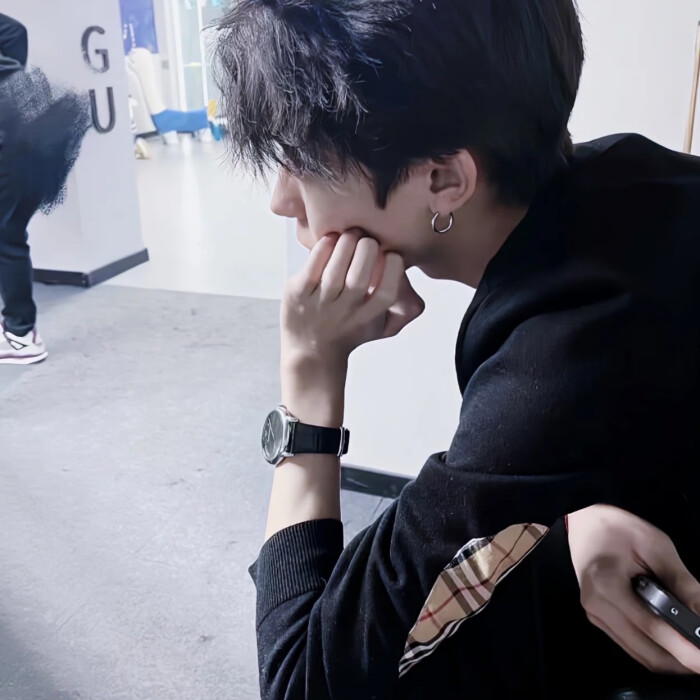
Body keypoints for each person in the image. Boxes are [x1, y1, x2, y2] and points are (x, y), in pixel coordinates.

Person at [214, 0, 700, 697]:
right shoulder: (630, 176)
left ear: (444, 179)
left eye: (303, 162)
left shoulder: (551, 373)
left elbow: (301, 681)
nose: (281, 200)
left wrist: (310, 374)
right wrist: (566, 526)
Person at [0, 12, 89, 364]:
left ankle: (21, 335)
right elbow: (14, 31)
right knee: (8, 231)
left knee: (5, 234)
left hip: (13, 137)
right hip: (35, 121)